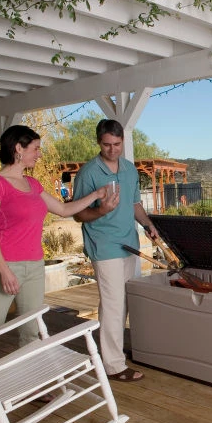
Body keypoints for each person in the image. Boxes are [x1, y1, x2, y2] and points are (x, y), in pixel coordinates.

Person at [0, 124, 106, 423]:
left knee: (31, 331)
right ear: (18, 149)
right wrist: (4, 270)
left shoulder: (33, 185)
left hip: (35, 266)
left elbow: (63, 210)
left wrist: (96, 196)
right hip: (4, 267)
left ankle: (32, 385)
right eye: (35, 148)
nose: (39, 154)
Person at [73, 119, 158, 382]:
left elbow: (135, 204)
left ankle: (116, 351)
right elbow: (78, 214)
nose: (112, 150)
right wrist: (101, 210)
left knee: (127, 301)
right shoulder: (89, 173)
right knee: (113, 305)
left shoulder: (130, 170)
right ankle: (113, 365)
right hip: (104, 245)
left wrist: (148, 225)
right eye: (107, 144)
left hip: (129, 243)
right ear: (99, 142)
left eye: (117, 144)